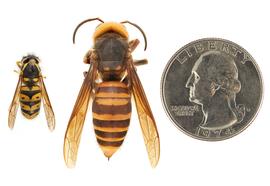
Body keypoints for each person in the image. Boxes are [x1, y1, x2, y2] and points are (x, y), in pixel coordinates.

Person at [185, 51, 245, 131]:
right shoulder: (213, 122)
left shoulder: (218, 122)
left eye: (196, 77)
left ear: (216, 85)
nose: (188, 84)